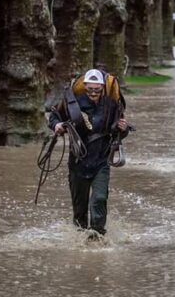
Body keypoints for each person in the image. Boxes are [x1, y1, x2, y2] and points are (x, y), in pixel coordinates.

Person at [48, 68, 129, 237]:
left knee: (99, 198)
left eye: (97, 89)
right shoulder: (72, 103)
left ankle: (98, 236)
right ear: (84, 87)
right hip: (78, 161)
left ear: (102, 88)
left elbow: (120, 132)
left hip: (102, 161)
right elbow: (54, 117)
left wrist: (124, 128)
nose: (93, 92)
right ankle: (79, 237)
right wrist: (56, 125)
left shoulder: (112, 105)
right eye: (90, 89)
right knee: (79, 209)